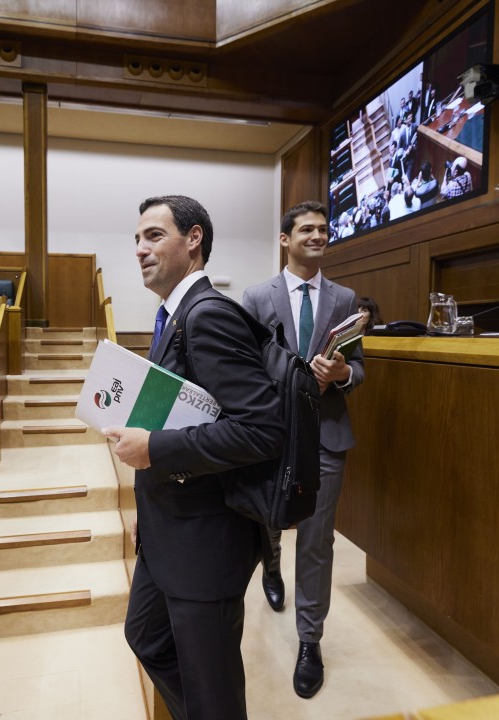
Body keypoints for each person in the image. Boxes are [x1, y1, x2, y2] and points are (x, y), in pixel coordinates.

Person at [106, 195, 286, 720]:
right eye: (137, 240)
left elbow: (261, 430)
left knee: (212, 690)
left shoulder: (208, 316)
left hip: (207, 542)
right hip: (170, 526)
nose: (140, 249)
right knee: (146, 636)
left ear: (194, 239)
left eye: (154, 236)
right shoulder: (173, 316)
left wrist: (153, 449)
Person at [241, 200, 366, 699]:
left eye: (323, 230)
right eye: (307, 229)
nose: (317, 236)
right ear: (285, 240)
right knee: (270, 517)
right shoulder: (256, 297)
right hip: (273, 433)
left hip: (327, 434)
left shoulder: (345, 298)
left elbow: (360, 369)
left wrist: (343, 373)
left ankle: (310, 640)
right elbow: (246, 367)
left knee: (317, 540)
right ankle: (271, 564)